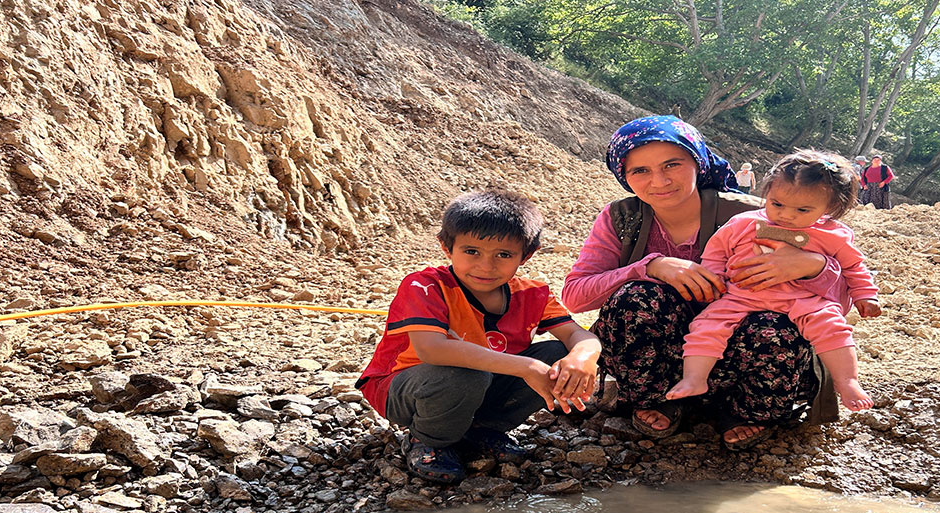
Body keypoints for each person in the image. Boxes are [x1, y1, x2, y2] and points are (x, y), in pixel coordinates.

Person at [562, 115, 846, 450]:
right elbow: (575, 296)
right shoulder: (622, 219)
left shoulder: (758, 216)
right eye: (640, 171)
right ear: (623, 175)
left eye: (672, 164)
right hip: (660, 359)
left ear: (698, 162)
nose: (659, 180)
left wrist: (813, 266)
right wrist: (650, 266)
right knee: (636, 296)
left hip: (742, 354)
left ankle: (745, 410)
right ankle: (658, 399)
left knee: (776, 322)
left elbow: (841, 302)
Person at [357, 190, 602, 483]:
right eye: (472, 252)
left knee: (556, 355)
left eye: (503, 255)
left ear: (526, 255)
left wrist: (583, 357)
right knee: (466, 374)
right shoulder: (425, 286)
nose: (486, 266)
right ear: (447, 248)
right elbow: (432, 350)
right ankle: (429, 439)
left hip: (478, 382)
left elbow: (578, 335)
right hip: (406, 387)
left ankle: (482, 429)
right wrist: (526, 367)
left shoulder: (532, 293)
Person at [665, 149, 882, 411]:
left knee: (832, 327)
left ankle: (847, 381)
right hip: (741, 295)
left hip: (804, 299)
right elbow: (716, 253)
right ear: (766, 194)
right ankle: (694, 378)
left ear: (830, 208)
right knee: (706, 326)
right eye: (777, 204)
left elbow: (853, 267)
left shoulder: (833, 234)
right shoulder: (742, 223)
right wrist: (714, 282)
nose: (786, 215)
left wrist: (865, 295)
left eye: (802, 209)